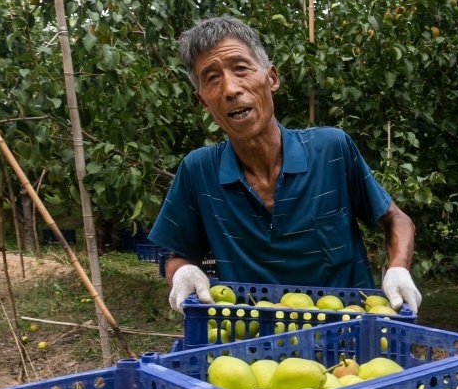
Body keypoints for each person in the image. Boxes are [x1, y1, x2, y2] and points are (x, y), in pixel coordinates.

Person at [149, 16, 421, 313]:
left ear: (272, 78)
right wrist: (183, 274)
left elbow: (396, 219)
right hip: (255, 347)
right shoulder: (198, 171)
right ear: (203, 102)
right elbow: (178, 256)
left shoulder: (331, 150)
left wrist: (398, 268)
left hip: (350, 337)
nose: (230, 89)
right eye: (212, 78)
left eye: (240, 68)